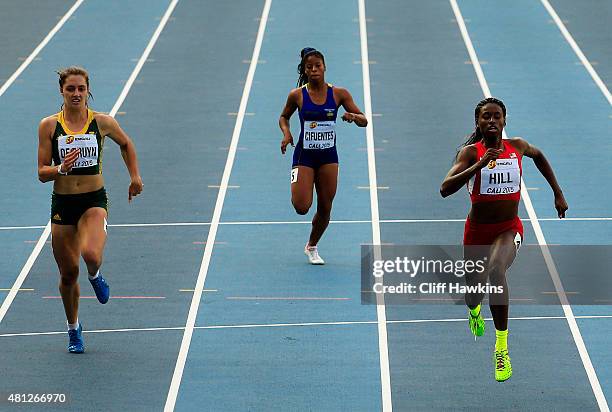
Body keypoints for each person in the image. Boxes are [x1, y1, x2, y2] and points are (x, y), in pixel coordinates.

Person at [440, 97, 567, 381]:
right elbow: (444, 188)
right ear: (478, 122)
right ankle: (474, 311)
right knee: (474, 292)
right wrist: (479, 165)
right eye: (486, 117)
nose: (492, 121)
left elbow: (540, 156)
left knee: (497, 270)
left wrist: (557, 193)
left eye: (497, 116)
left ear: (504, 120)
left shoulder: (517, 147)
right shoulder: (471, 153)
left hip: (509, 228)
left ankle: (501, 347)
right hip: (476, 233)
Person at [37, 66, 143, 353]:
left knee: (91, 254)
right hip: (63, 204)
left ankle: (95, 275)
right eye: (70, 88)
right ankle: (74, 329)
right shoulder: (49, 126)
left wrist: (134, 176)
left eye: (81, 89)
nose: (76, 93)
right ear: (62, 90)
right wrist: (61, 167)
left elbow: (126, 144)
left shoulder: (101, 122)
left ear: (88, 91)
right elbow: (42, 172)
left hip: (93, 200)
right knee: (68, 273)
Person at [279, 47, 367, 264]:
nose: (314, 69)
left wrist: (352, 117)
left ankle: (312, 246)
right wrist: (287, 133)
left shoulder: (339, 94)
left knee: (326, 206)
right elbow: (283, 117)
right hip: (304, 156)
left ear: (324, 67)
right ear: (305, 71)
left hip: (328, 156)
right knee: (301, 207)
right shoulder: (297, 95)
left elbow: (364, 120)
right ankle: (300, 186)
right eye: (310, 67)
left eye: (318, 65)